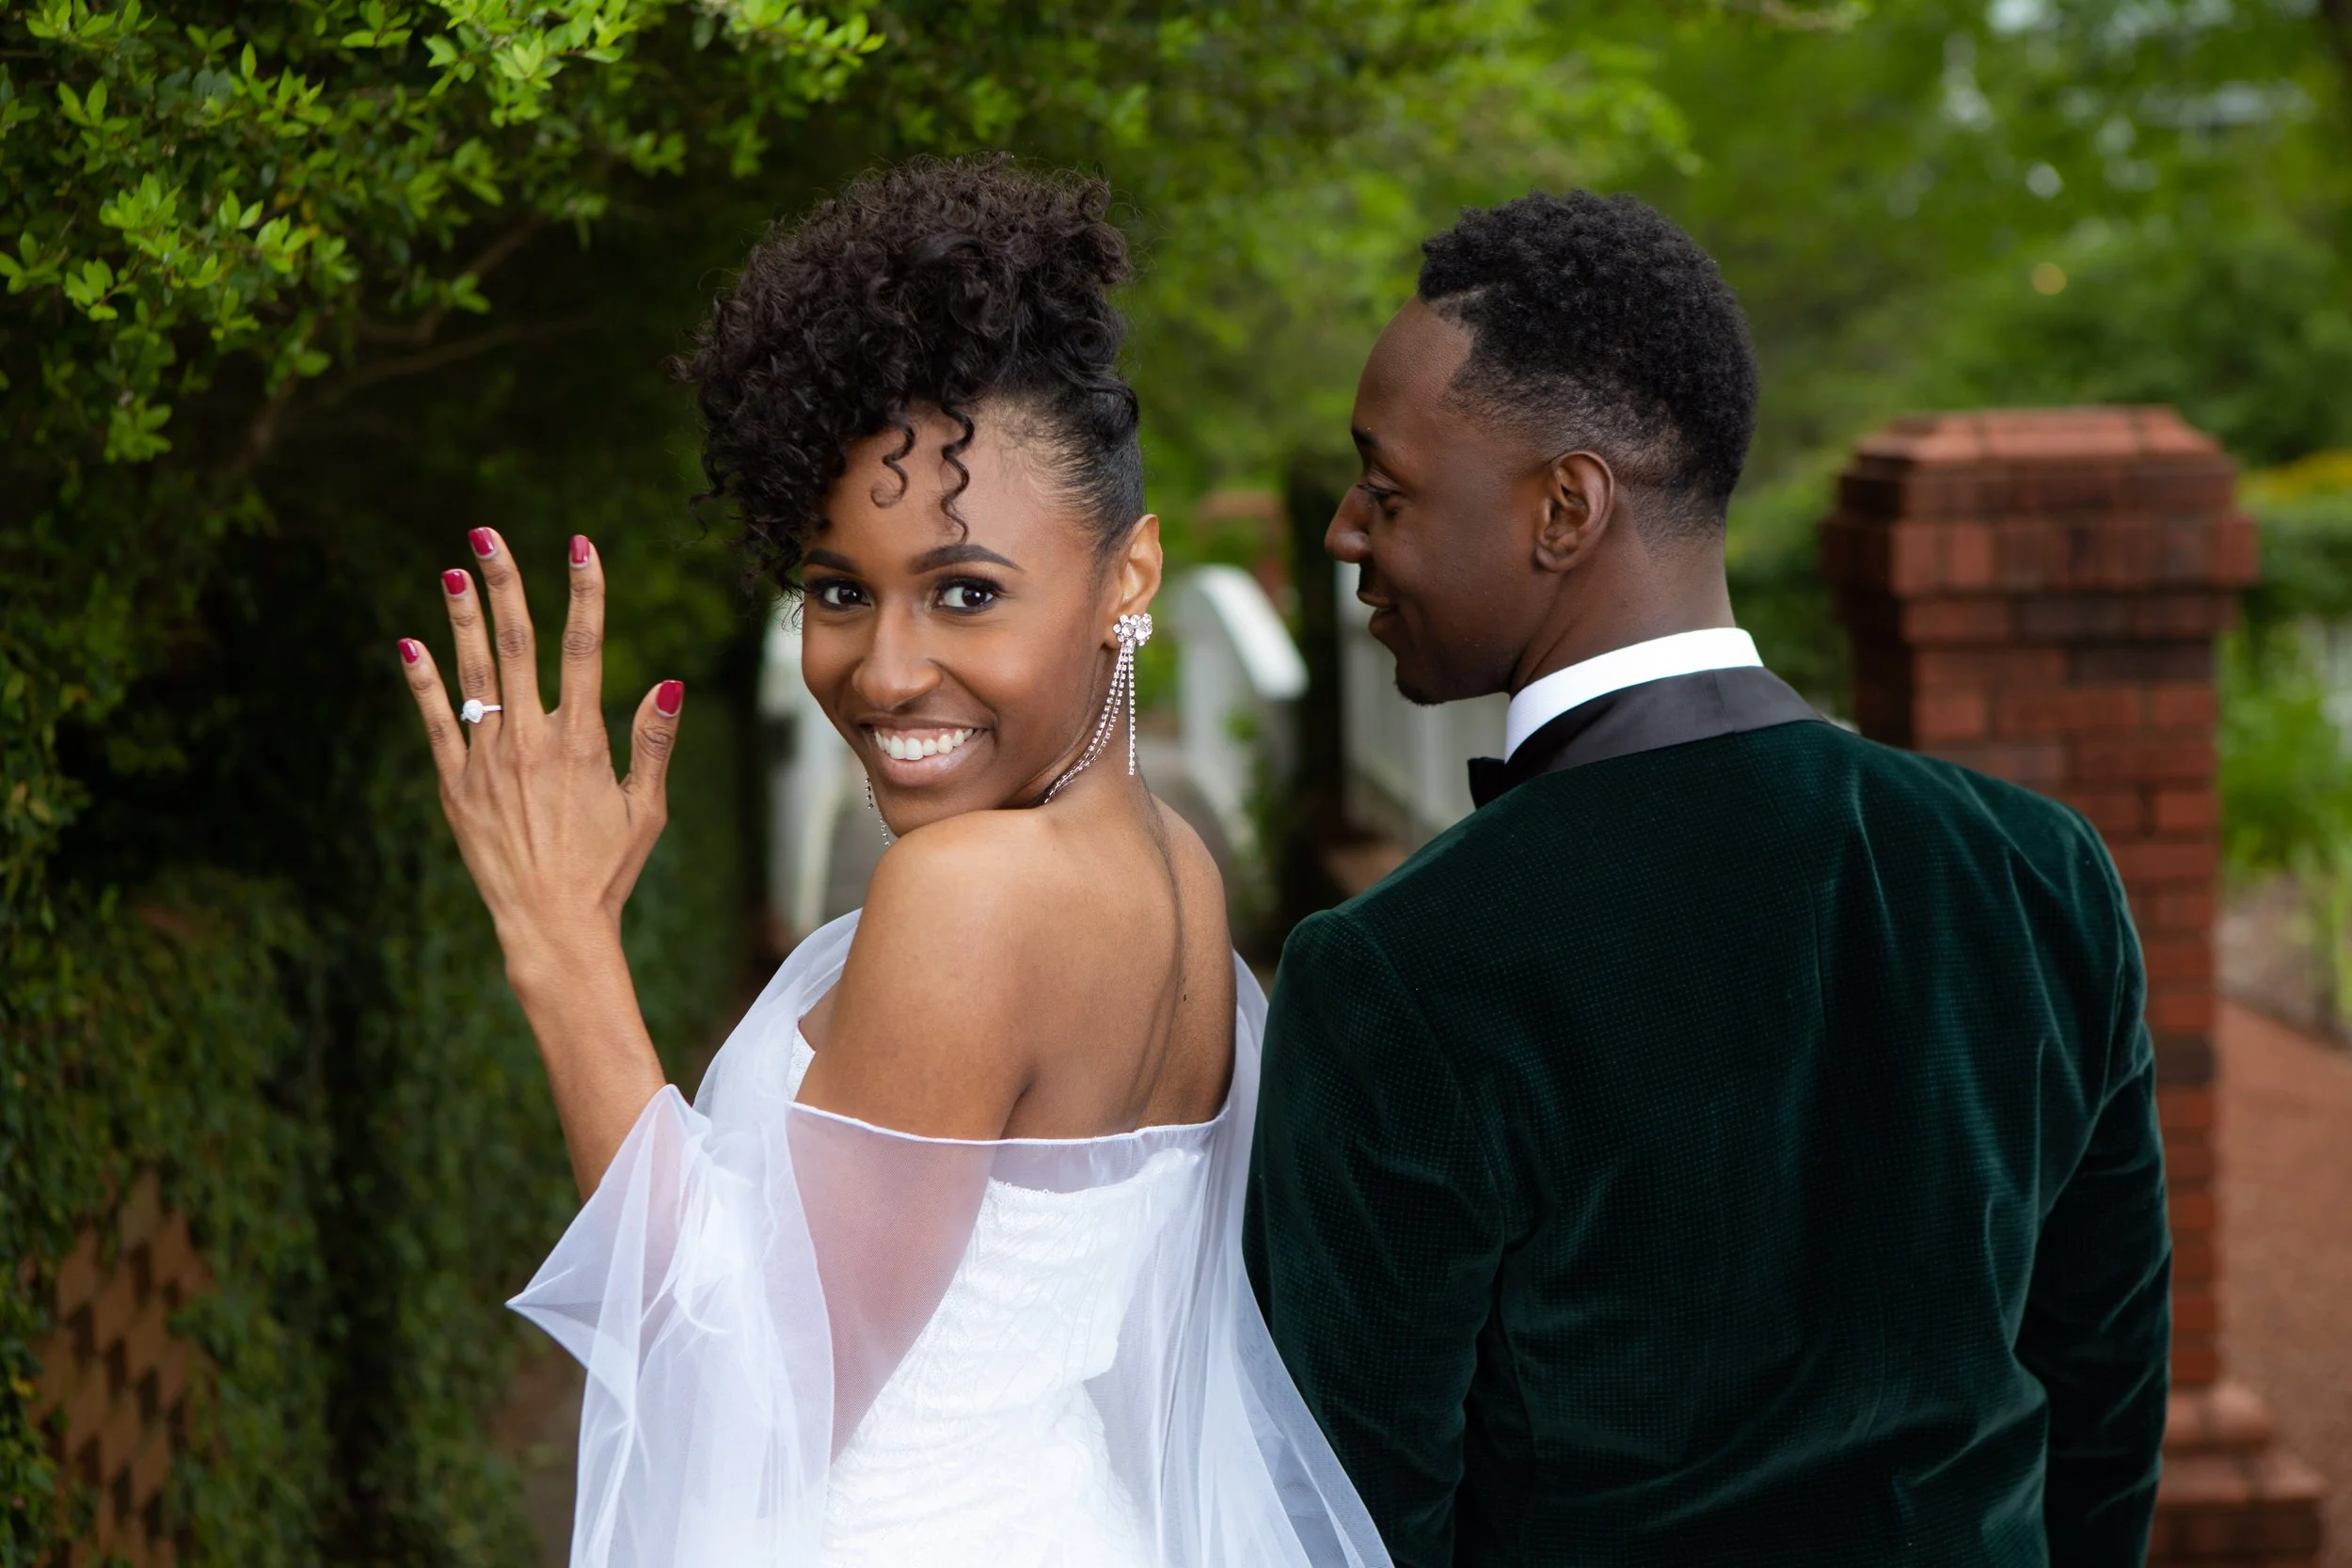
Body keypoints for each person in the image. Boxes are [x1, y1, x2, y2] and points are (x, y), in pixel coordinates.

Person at [397, 157, 1389, 1568]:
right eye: (838, 591)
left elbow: (734, 1408)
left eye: (967, 590)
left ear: (1130, 574)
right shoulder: (1172, 865)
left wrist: (559, 942)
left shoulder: (970, 895)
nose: (885, 669)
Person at [1245, 189, 2171, 1567]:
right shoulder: (2040, 873)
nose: (1344, 532)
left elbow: (1345, 1512)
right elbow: (2104, 1411)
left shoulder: (1401, 968)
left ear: (1567, 507)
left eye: (1386, 488)